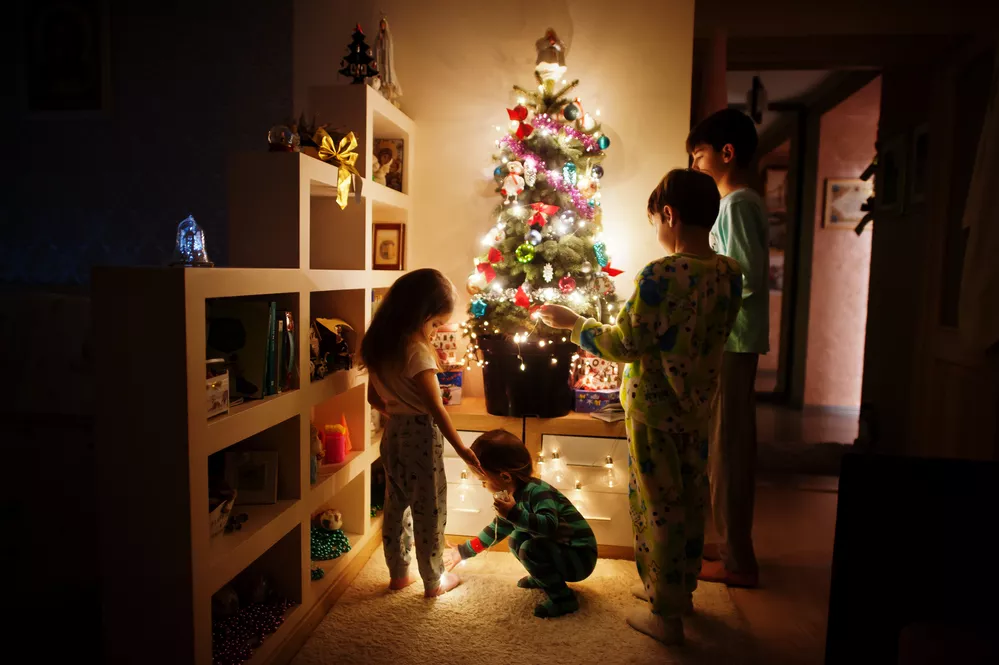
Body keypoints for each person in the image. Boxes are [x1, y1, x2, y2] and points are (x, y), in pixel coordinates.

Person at [540, 169, 742, 645]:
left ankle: (666, 615)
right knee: (690, 500)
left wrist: (575, 324)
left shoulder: (661, 274)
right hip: (697, 409)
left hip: (654, 412)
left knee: (657, 506)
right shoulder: (729, 273)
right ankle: (677, 589)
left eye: (656, 220)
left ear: (668, 215)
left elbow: (625, 343)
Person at [360, 268, 481, 598]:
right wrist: (463, 450)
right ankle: (433, 580)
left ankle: (398, 574)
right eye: (435, 323)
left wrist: (398, 410)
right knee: (429, 509)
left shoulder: (380, 346)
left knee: (396, 504)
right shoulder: (417, 352)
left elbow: (374, 398)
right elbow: (436, 409)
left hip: (393, 433)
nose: (436, 330)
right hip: (420, 437)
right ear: (421, 314)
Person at [688, 109, 769, 588]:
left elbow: (747, 277)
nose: (695, 164)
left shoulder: (736, 204)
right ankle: (733, 549)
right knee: (727, 444)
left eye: (699, 155)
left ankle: (739, 560)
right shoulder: (741, 202)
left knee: (728, 448)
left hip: (733, 341)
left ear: (726, 153)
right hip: (734, 340)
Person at [450, 430, 597, 618]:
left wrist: (514, 514)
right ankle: (543, 577)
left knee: (529, 548)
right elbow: (498, 528)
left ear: (505, 477)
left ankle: (564, 599)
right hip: (560, 549)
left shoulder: (537, 492)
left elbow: (549, 525)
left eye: (484, 480)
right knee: (516, 538)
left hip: (579, 556)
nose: (483, 485)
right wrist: (464, 551)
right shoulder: (512, 496)